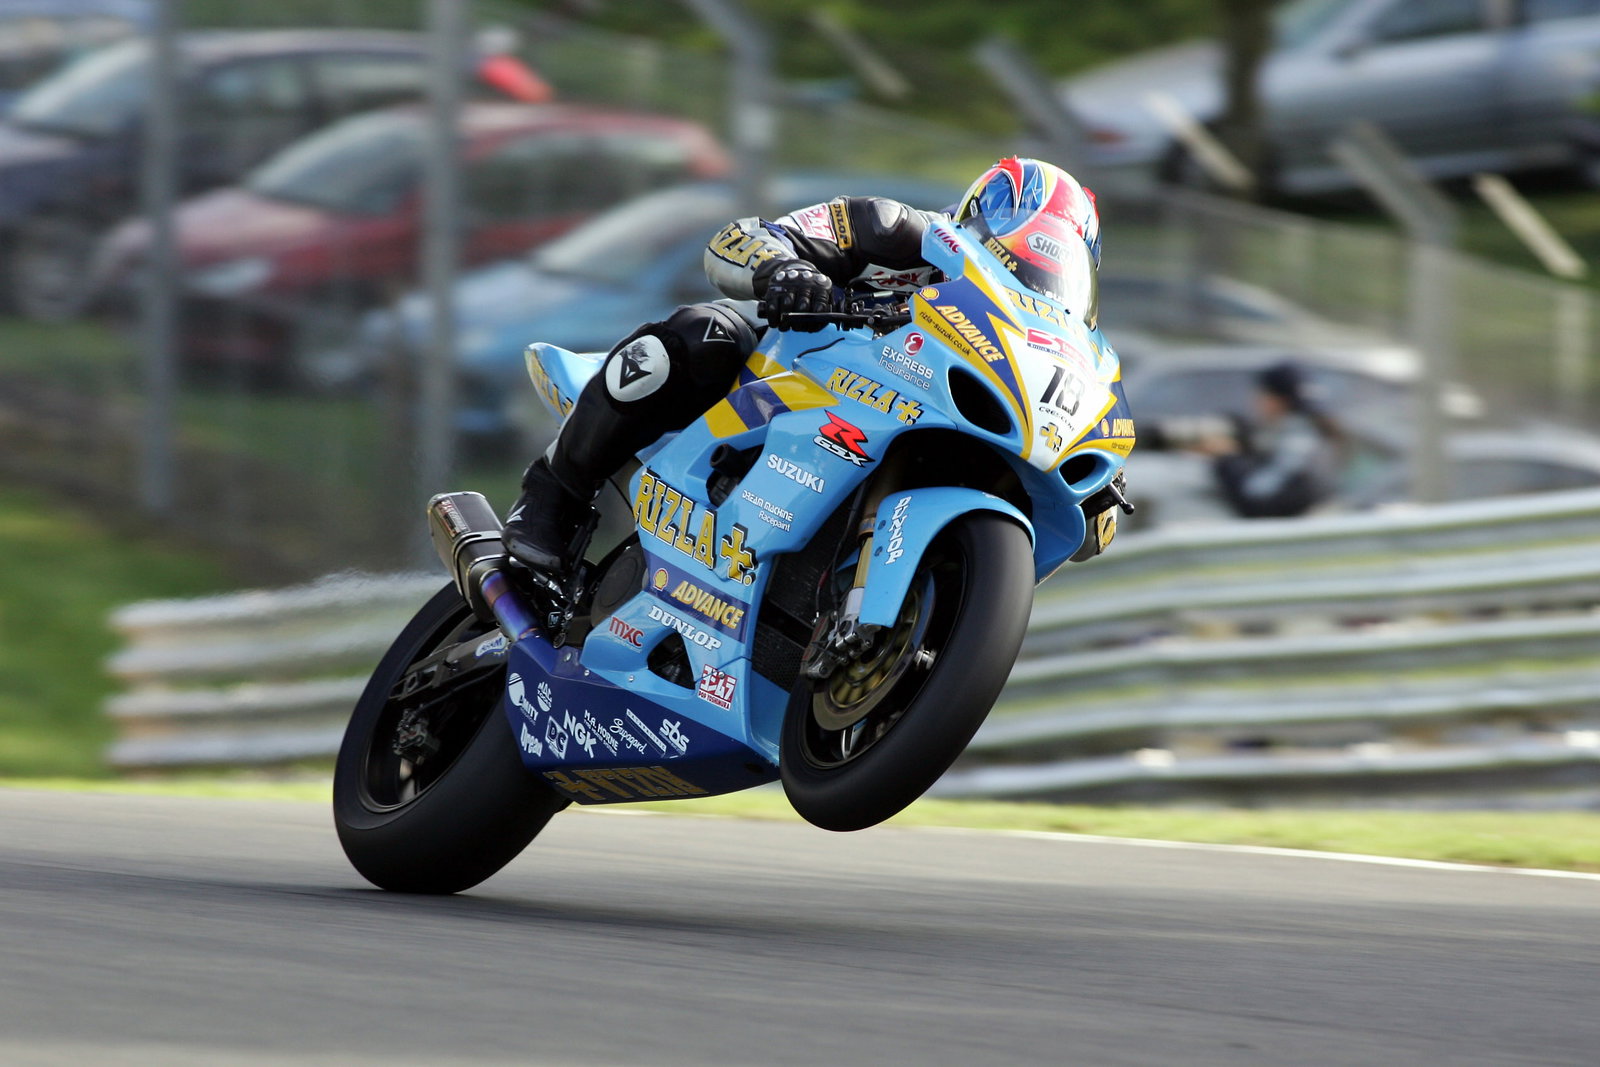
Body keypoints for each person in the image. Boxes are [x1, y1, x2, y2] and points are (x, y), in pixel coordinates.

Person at [501, 157, 1104, 582]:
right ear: (986, 215)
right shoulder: (897, 229)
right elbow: (739, 239)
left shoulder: (1057, 340)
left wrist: (1096, 481)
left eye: (1054, 263)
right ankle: (553, 496)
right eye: (1023, 246)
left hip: (916, 419)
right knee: (701, 336)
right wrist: (784, 271)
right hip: (789, 379)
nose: (1030, 273)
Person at [1203, 361, 1344, 519]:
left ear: (1275, 400)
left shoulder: (1299, 438)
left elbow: (1257, 496)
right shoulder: (1315, 432)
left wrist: (1226, 460)